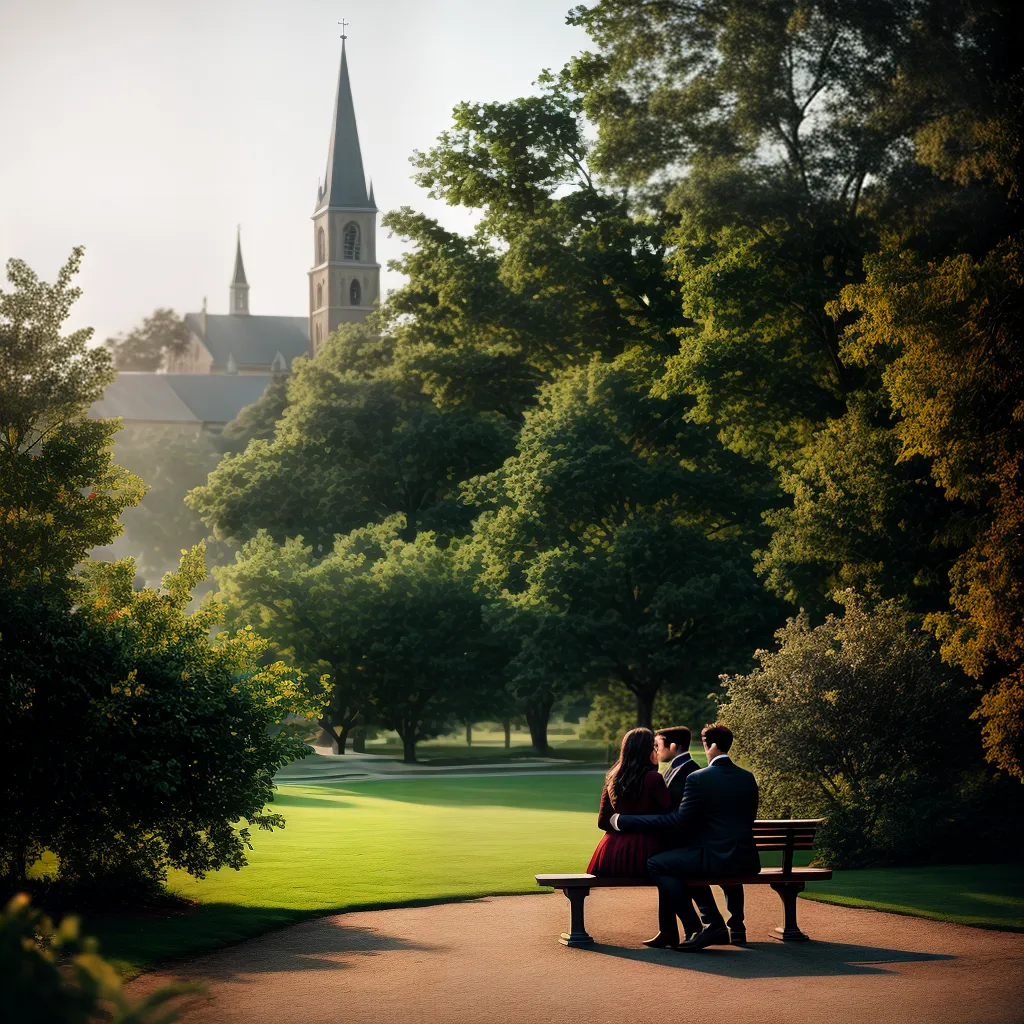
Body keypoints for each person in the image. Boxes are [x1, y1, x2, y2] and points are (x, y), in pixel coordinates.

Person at [610, 723, 759, 951]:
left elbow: (677, 821)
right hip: (746, 859)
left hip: (713, 857)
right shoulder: (747, 778)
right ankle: (717, 926)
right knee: (680, 861)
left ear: (713, 746)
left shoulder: (699, 778)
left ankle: (706, 924)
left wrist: (623, 821)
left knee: (658, 864)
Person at [587, 727, 672, 878]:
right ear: (646, 751)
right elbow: (667, 818)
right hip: (645, 850)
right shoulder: (653, 778)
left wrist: (621, 821)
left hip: (612, 851)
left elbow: (603, 821)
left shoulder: (613, 776)